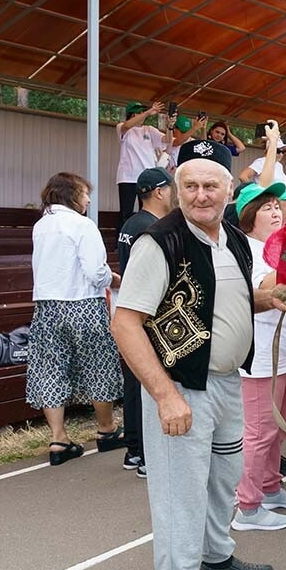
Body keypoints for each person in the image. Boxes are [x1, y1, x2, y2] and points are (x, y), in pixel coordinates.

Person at [111, 138, 286, 570]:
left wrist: (267, 298)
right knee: (181, 494)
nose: (200, 195)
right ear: (175, 189)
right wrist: (165, 396)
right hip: (182, 387)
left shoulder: (232, 238)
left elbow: (226, 300)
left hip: (225, 382)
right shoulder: (160, 241)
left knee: (222, 477)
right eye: (189, 185)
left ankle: (216, 559)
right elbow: (125, 322)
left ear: (228, 187)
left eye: (210, 184)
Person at [231, 179, 286, 531]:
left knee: (280, 426)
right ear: (249, 215)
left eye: (278, 206)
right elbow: (268, 287)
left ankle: (270, 486)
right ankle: (247, 506)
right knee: (260, 430)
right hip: (261, 356)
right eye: (266, 207)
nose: (276, 211)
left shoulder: (281, 248)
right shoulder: (247, 249)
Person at [27, 172, 124, 465]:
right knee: (98, 366)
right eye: (84, 193)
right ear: (71, 194)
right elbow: (96, 272)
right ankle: (106, 430)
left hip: (46, 307)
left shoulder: (41, 226)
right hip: (83, 304)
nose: (88, 199)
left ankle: (59, 439)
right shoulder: (82, 225)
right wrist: (113, 278)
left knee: (50, 370)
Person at [115, 167, 175, 476]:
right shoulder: (153, 227)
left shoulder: (130, 223)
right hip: (147, 313)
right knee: (149, 384)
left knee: (134, 383)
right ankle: (146, 455)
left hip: (131, 308)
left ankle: (135, 450)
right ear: (160, 191)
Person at [116, 100, 166, 226]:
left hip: (146, 177)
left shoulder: (149, 130)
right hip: (128, 177)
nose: (143, 115)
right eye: (140, 112)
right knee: (125, 212)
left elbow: (167, 140)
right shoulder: (123, 127)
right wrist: (149, 112)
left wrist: (170, 126)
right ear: (133, 115)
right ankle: (121, 241)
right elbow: (126, 126)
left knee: (145, 211)